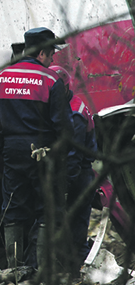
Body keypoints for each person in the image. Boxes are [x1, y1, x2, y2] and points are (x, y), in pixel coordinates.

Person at [0, 27, 74, 270]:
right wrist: (58, 154)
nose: (53, 59)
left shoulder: (1, 78)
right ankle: (40, 270)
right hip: (43, 152)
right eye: (51, 54)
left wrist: (1, 147)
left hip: (12, 151)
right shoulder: (51, 80)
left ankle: (15, 270)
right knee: (46, 210)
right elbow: (63, 127)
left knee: (13, 207)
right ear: (43, 53)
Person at [49, 65, 97, 268]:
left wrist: (65, 184)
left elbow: (73, 155)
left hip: (79, 174)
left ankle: (78, 268)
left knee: (76, 226)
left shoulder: (75, 113)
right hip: (77, 172)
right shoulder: (70, 106)